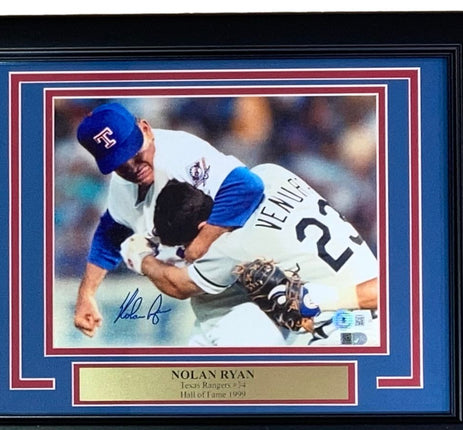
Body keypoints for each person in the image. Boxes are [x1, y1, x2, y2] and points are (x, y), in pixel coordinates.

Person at [122, 163, 378, 346]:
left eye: (185, 245)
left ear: (203, 228)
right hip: (372, 293)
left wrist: (142, 258)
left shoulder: (230, 247)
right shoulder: (269, 173)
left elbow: (179, 285)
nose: (186, 252)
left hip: (346, 332)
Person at [72, 102, 265, 337]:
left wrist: (200, 243)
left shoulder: (179, 154)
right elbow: (110, 233)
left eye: (135, 154)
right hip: (215, 291)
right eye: (120, 163)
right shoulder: (122, 184)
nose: (133, 167)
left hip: (257, 269)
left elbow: (247, 186)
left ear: (146, 129)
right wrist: (86, 294)